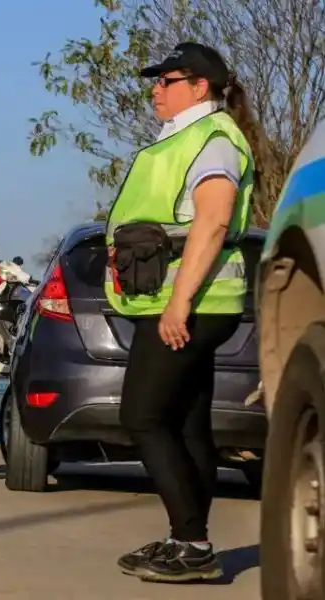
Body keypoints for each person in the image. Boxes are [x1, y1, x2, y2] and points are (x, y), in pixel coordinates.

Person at [105, 42, 257, 582]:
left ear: (200, 87)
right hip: (179, 300)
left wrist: (179, 302)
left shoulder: (214, 141)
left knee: (142, 417)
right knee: (188, 424)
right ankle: (185, 539)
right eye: (156, 80)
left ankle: (193, 544)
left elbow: (213, 222)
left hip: (192, 302)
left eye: (167, 80)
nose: (155, 89)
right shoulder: (183, 139)